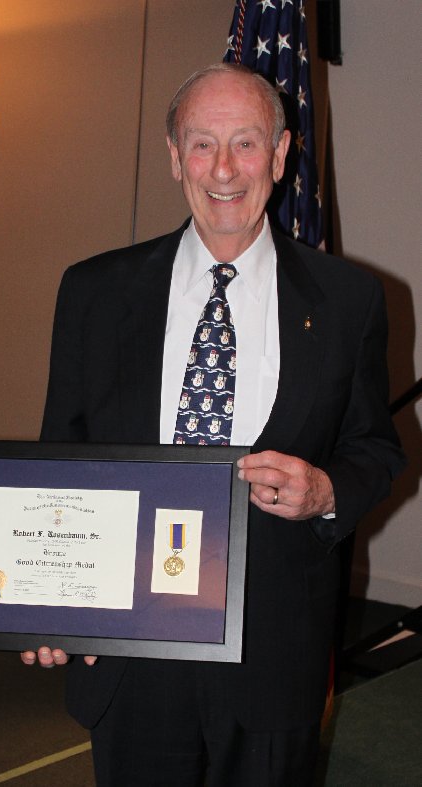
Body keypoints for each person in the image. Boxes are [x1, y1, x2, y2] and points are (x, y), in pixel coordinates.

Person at [21, 63, 404, 785]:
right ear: (173, 156)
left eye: (246, 144)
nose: (224, 169)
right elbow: (60, 462)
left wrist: (325, 490)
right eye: (202, 144)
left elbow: (373, 447)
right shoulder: (96, 292)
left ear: (282, 154)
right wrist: (49, 602)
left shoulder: (349, 299)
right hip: (130, 651)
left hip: (271, 651)